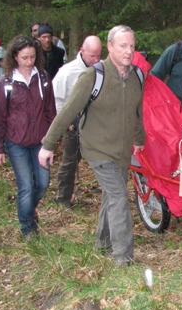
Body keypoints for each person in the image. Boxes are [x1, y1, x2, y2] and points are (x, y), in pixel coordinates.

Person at [38, 25, 146, 267]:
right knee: (119, 196)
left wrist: (139, 139)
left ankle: (102, 243)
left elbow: (136, 111)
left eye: (131, 45)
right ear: (109, 47)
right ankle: (123, 257)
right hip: (97, 148)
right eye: (122, 46)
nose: (128, 51)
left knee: (111, 195)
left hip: (121, 149)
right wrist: (48, 144)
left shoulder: (138, 76)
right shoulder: (93, 76)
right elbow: (68, 111)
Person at [0, 35, 56, 237]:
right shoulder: (6, 82)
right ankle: (27, 228)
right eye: (25, 58)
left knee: (43, 183)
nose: (29, 62)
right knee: (26, 186)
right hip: (15, 142)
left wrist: (51, 142)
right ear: (15, 57)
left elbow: (50, 111)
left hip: (40, 141)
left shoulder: (43, 78)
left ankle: (28, 209)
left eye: (33, 57)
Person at [51, 35, 103, 208]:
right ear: (82, 51)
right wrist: (65, 123)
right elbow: (57, 99)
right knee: (70, 160)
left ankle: (109, 195)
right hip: (74, 122)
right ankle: (62, 198)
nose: (95, 60)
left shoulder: (102, 69)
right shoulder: (67, 72)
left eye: (98, 55)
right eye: (92, 56)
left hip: (97, 121)